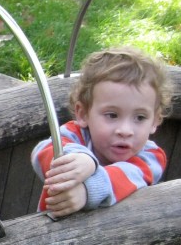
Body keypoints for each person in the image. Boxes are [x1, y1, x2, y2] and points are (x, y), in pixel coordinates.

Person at [31, 47, 171, 217]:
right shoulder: (75, 135)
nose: (125, 131)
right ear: (83, 114)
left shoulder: (151, 157)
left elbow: (127, 175)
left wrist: (87, 190)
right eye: (112, 115)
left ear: (155, 120)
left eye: (140, 117)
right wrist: (82, 159)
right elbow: (42, 151)